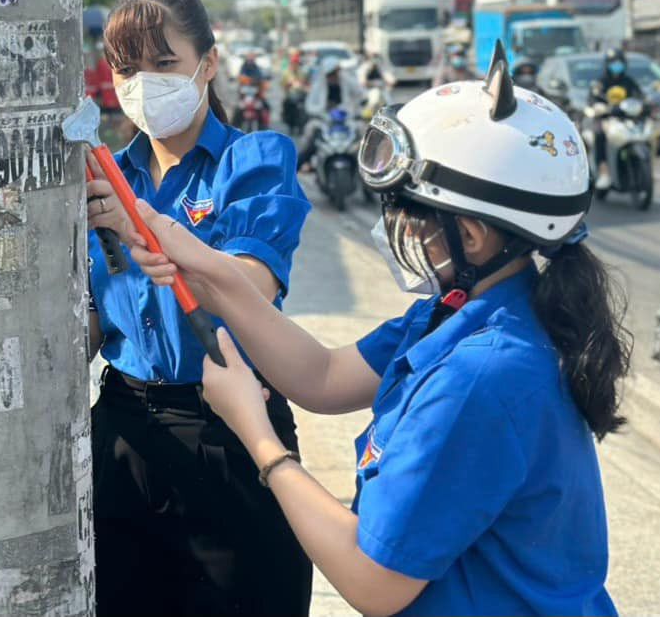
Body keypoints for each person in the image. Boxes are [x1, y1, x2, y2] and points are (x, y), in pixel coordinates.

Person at [127, 54, 630, 616]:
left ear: (470, 232)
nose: (397, 230)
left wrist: (258, 437)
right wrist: (199, 260)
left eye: (408, 212)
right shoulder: (465, 312)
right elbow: (321, 376)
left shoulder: (480, 377)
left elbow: (374, 583)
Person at [85, 0, 313, 615]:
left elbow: (247, 289)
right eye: (127, 68)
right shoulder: (104, 176)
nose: (144, 84)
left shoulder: (253, 161)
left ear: (207, 65)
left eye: (164, 64)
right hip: (125, 434)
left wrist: (143, 229)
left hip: (232, 432)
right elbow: (92, 312)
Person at [590, 47, 645, 190]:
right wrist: (597, 106)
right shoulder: (600, 82)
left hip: (626, 119)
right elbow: (592, 99)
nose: (616, 65)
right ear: (607, 64)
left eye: (619, 62)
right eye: (613, 62)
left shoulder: (628, 81)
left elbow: (639, 96)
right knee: (599, 134)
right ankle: (604, 172)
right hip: (606, 118)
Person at [296, 55, 363, 171]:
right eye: (331, 73)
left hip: (346, 119)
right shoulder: (318, 85)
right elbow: (309, 106)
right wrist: (323, 110)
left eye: (335, 72)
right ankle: (302, 164)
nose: (333, 76)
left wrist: (354, 107)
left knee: (363, 131)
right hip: (324, 120)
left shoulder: (346, 80)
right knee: (311, 131)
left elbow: (360, 94)